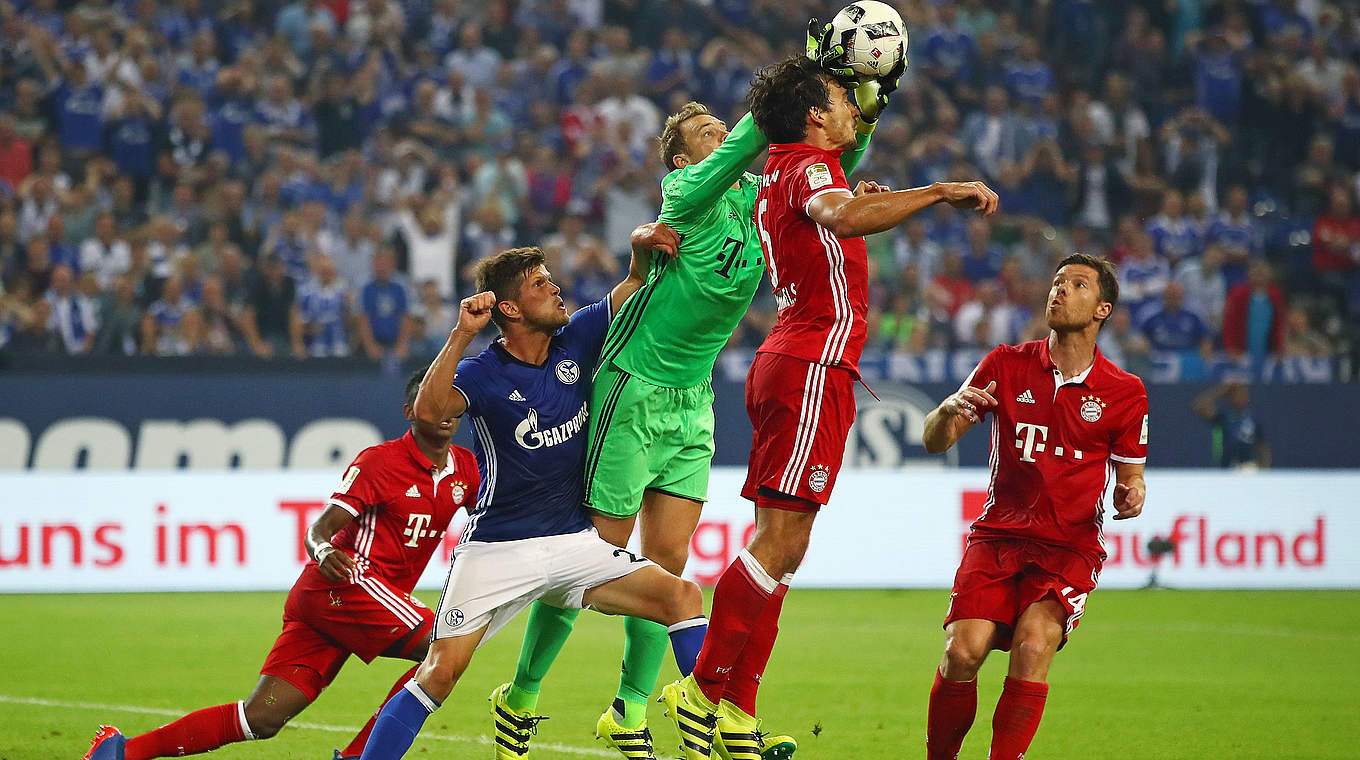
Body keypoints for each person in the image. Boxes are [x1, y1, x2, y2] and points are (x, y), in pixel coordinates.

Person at [499, 86, 881, 760]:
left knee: (668, 567)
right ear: (681, 157)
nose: (722, 134)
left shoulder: (760, 198)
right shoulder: (691, 192)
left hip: (691, 400)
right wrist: (774, 108)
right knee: (592, 559)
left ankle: (628, 710)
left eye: (721, 127)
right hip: (633, 388)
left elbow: (829, 160)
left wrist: (866, 116)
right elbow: (743, 147)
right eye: (707, 131)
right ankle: (522, 697)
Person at [658, 53, 998, 760]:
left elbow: (830, 214)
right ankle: (702, 690)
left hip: (799, 363)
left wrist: (866, 193)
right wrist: (935, 191)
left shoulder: (789, 169)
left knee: (786, 550)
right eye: (843, 100)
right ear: (815, 114)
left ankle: (736, 713)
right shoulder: (807, 168)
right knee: (778, 547)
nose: (854, 111)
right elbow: (838, 215)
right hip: (810, 364)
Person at [356, 246, 710, 760]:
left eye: (550, 278)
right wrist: (460, 334)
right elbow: (430, 413)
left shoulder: (579, 338)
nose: (555, 287)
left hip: (573, 544)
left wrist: (642, 244)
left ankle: (714, 714)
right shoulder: (483, 371)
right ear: (511, 309)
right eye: (540, 284)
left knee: (683, 597)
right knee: (440, 672)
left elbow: (635, 278)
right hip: (498, 548)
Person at [83, 369, 480, 760]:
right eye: (433, 404)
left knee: (261, 718)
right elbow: (320, 529)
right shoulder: (380, 462)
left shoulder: (465, 468)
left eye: (452, 407)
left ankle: (120, 752)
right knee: (442, 647)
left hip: (358, 605)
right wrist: (323, 550)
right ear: (411, 411)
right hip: (342, 585)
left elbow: (495, 517)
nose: (445, 414)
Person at [920, 254, 1149, 760]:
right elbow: (937, 440)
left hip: (1068, 547)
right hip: (998, 536)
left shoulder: (1126, 392)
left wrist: (1131, 493)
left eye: (1077, 284)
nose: (1060, 290)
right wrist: (944, 412)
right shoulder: (1005, 363)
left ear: (1102, 309)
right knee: (961, 652)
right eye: (1057, 281)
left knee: (1031, 647)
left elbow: (1132, 475)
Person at [1193, 380, 1270, 469]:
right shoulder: (1223, 417)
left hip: (1248, 467)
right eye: (1236, 394)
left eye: (1243, 394)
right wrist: (1223, 389)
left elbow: (1262, 445)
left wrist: (1264, 466)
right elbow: (1199, 406)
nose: (1240, 397)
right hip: (1227, 466)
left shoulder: (1252, 419)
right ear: (1229, 397)